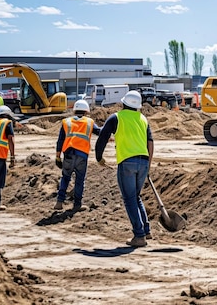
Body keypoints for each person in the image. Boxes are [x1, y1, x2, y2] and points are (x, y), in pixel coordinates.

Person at [95, 90, 153, 248]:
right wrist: (148, 164)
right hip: (143, 161)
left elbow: (103, 137)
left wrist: (99, 157)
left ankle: (139, 236)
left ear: (123, 103)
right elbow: (150, 143)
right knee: (136, 197)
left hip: (127, 161)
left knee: (129, 199)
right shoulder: (143, 119)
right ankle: (146, 229)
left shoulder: (116, 117)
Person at [54, 100, 101, 212]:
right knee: (79, 180)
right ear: (86, 111)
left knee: (65, 178)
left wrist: (57, 156)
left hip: (68, 154)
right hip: (82, 156)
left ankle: (59, 202)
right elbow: (100, 132)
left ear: (75, 110)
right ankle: (77, 204)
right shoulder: (89, 122)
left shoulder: (66, 122)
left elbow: (60, 140)